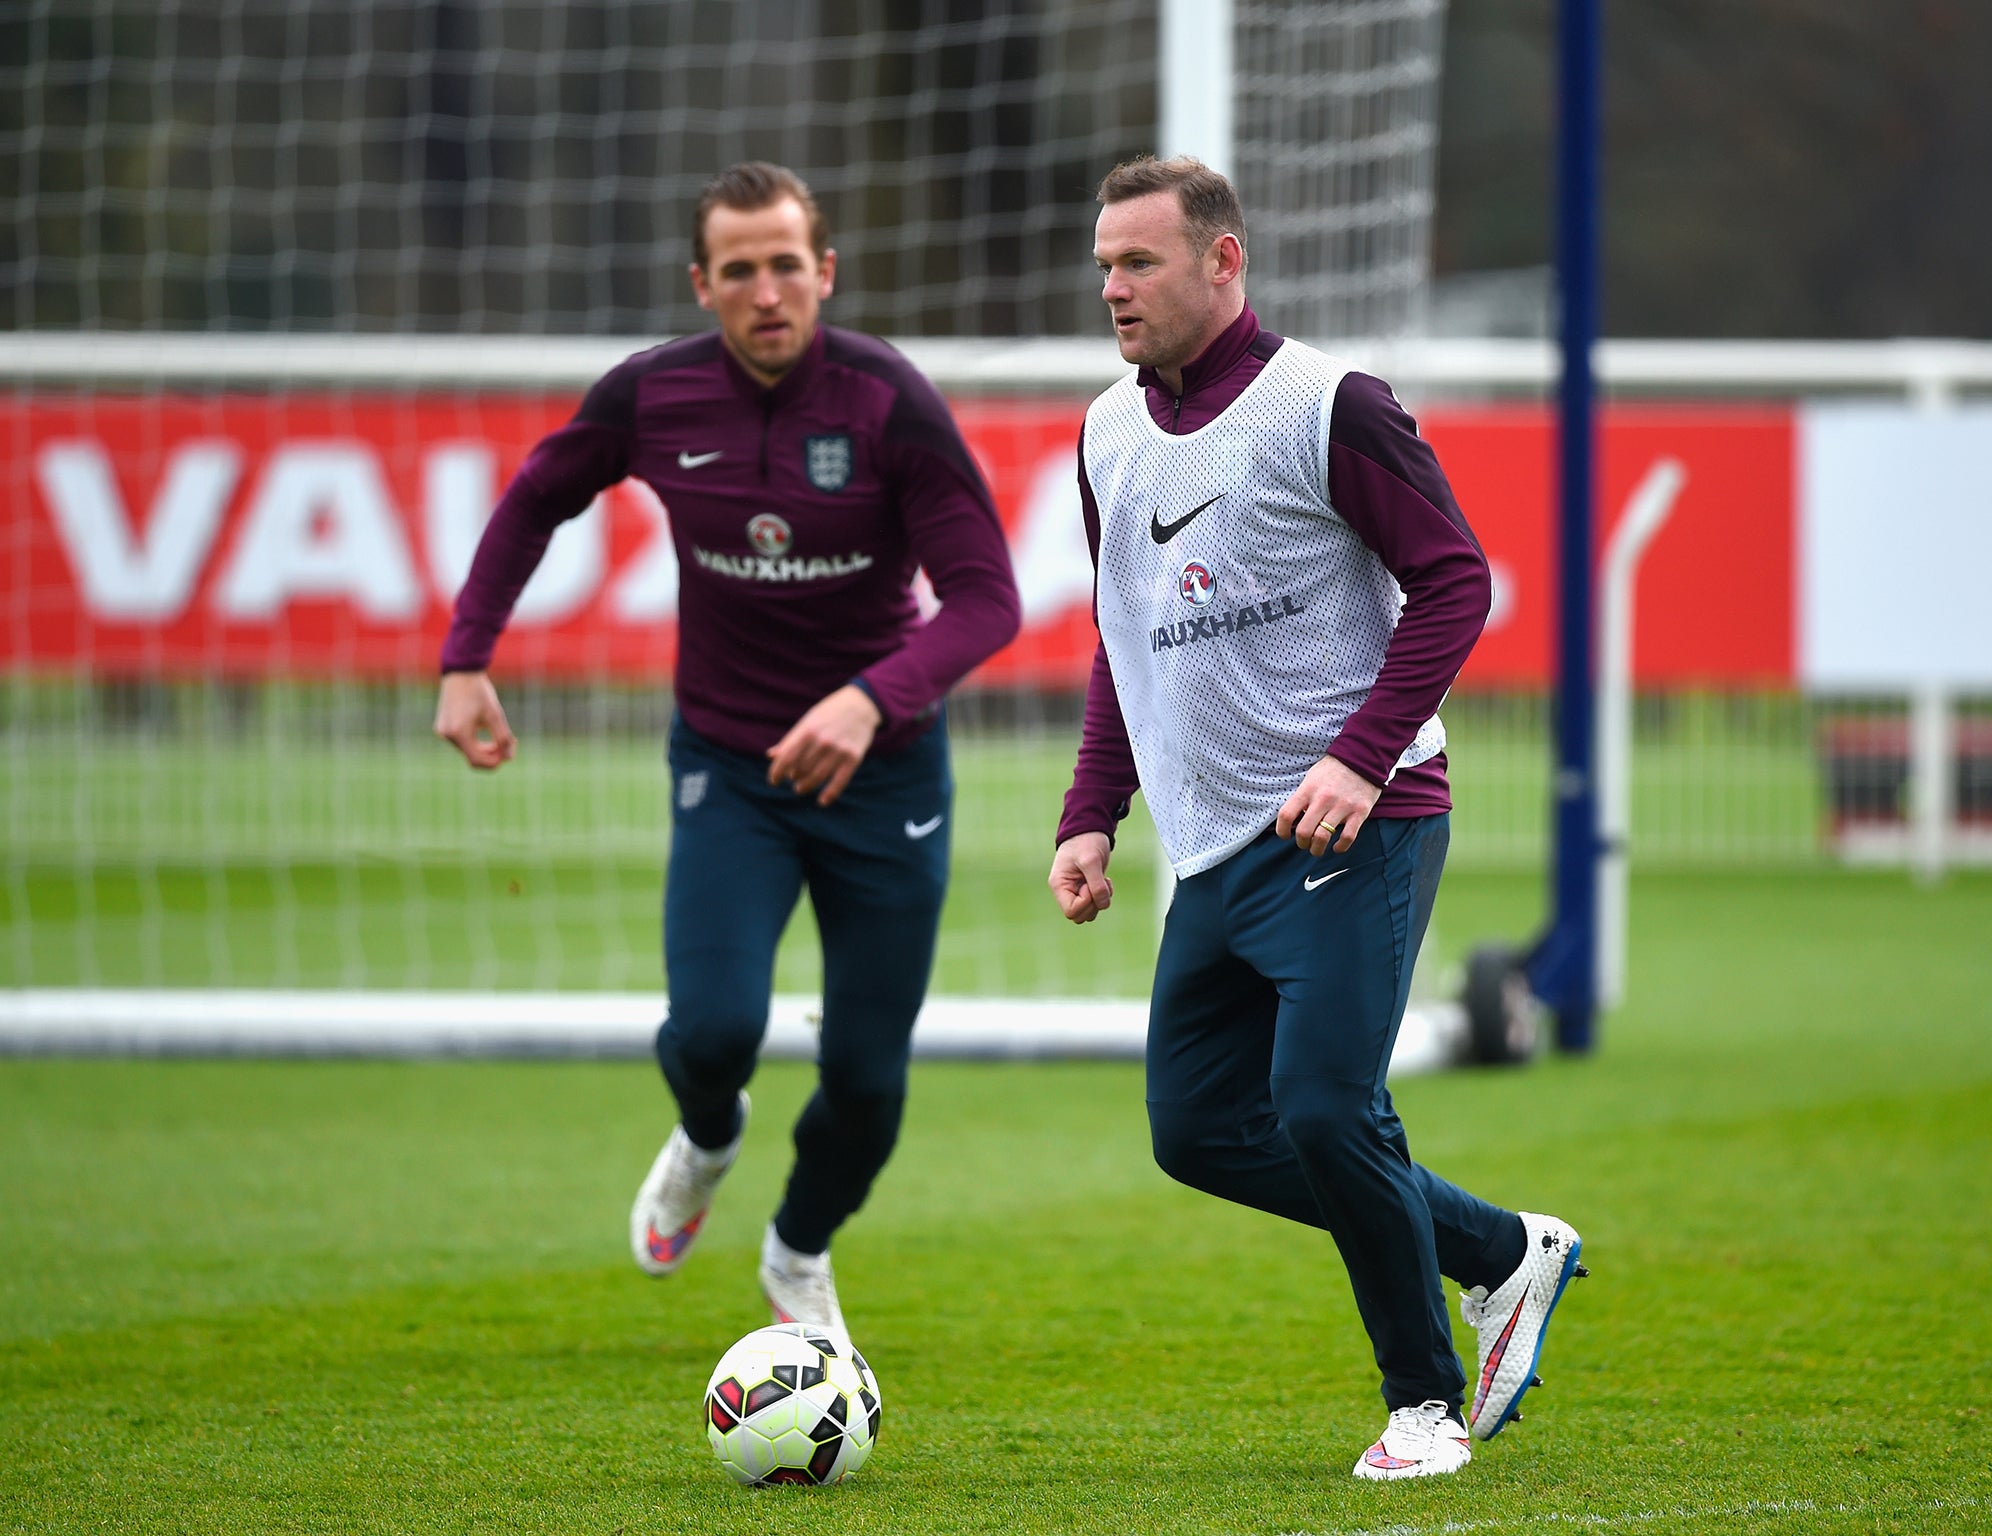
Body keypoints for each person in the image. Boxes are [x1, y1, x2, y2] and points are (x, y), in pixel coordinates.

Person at [1047, 156, 1585, 1481]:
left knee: (1326, 1107)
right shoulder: (1105, 432)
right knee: (1196, 1130)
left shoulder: (1328, 403)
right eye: (1104, 264)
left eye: (1142, 262)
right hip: (1217, 850)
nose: (1114, 287)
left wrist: (1359, 757)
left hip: (1366, 818)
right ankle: (1500, 1251)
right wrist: (1088, 814)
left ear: (1224, 262)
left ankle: (1424, 1405)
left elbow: (1457, 583)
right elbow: (1127, 644)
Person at [438, 161, 1021, 1335]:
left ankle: (799, 1249)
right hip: (729, 767)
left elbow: (985, 600)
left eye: (787, 265)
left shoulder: (887, 402)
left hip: (885, 774)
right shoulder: (653, 396)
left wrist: (871, 698)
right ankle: (707, 1136)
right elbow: (538, 494)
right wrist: (466, 656)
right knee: (710, 1032)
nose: (767, 291)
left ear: (825, 273)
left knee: (865, 1078)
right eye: (740, 270)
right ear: (702, 284)